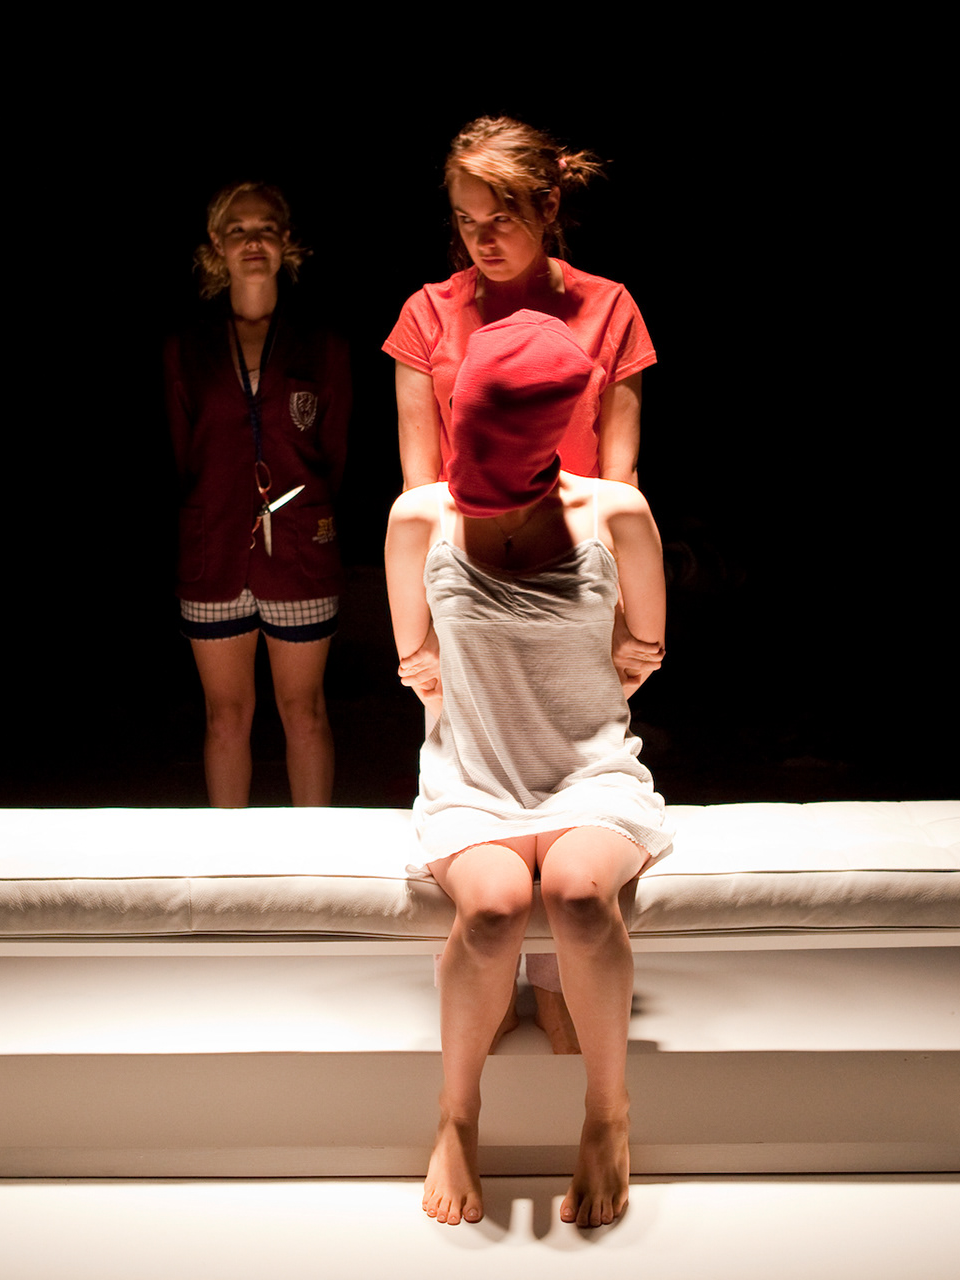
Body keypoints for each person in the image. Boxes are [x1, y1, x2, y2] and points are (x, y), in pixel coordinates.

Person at [385, 310, 670, 1228]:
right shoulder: (420, 517)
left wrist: (575, 688)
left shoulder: (614, 513)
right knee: (496, 906)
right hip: (473, 774)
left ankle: (607, 1114)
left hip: (588, 771)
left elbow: (645, 648)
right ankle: (457, 1115)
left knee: (580, 896)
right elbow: (416, 662)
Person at [385, 115, 665, 1043]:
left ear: (548, 205)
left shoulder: (608, 307)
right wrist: (424, 632)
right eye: (466, 221)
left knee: (576, 801)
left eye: (500, 216)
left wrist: (625, 622)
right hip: (470, 586)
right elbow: (419, 488)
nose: (482, 238)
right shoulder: (430, 314)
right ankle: (488, 983)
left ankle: (559, 983)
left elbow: (621, 474)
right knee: (485, 816)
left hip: (574, 580)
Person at [165, 182, 348, 807]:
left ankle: (316, 857)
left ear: (284, 240)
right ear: (217, 243)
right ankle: (228, 861)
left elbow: (335, 453)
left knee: (305, 713)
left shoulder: (321, 342)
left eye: (265, 228)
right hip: (211, 552)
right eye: (238, 230)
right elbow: (181, 453)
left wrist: (307, 515)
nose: (252, 241)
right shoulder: (187, 346)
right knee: (225, 717)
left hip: (300, 552)